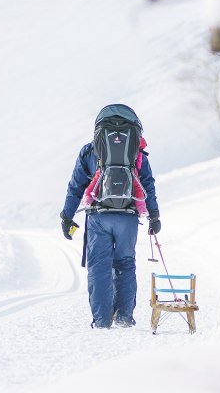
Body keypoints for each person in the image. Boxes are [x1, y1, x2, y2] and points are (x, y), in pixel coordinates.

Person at [60, 104, 161, 329]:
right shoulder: (137, 151)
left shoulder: (90, 150)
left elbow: (76, 186)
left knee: (99, 267)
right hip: (128, 216)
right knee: (125, 263)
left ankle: (102, 320)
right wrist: (154, 215)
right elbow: (148, 185)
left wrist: (67, 216)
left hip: (99, 216)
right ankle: (125, 316)